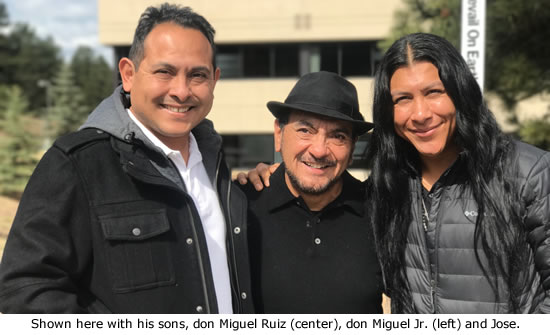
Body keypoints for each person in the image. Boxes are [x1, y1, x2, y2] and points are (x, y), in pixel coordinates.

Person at [0, 3, 253, 313]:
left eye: (197, 75)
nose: (182, 91)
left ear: (214, 80)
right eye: (165, 72)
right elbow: (25, 291)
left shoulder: (217, 167)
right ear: (128, 74)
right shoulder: (76, 165)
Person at [367, 32, 550, 313]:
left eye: (433, 92)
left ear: (460, 92)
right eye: (403, 99)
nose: (420, 114)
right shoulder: (387, 185)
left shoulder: (528, 172)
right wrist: (276, 174)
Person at [239, 71, 382, 313]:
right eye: (305, 130)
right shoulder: (239, 207)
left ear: (352, 148)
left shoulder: (381, 211)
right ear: (279, 134)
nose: (319, 150)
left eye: (338, 136)